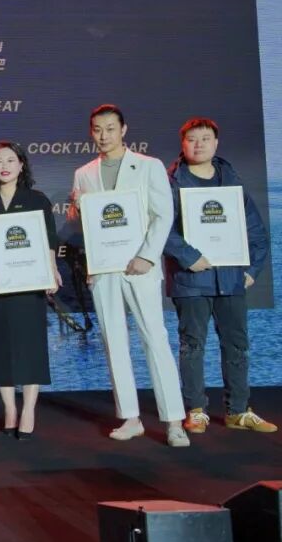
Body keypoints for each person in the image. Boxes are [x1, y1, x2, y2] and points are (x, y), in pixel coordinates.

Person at [69, 104, 189, 447]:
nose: (103, 135)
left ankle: (173, 421)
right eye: (97, 129)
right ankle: (131, 417)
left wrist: (147, 256)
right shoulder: (84, 173)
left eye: (110, 128)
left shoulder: (149, 166)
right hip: (104, 269)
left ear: (123, 130)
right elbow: (88, 225)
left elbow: (162, 215)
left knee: (155, 338)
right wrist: (77, 211)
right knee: (114, 342)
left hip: (140, 267)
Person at [163, 117, 275, 434]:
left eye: (205, 138)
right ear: (182, 144)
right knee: (192, 346)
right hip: (190, 281)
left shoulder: (231, 182)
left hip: (230, 280)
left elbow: (256, 233)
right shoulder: (170, 184)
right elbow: (161, 229)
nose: (198, 144)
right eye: (192, 139)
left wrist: (251, 271)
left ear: (216, 143)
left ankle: (238, 411)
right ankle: (196, 410)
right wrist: (190, 257)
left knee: (237, 345)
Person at [0, 141, 61, 441]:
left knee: (31, 346)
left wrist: (52, 271)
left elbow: (49, 241)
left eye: (10, 160)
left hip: (29, 283)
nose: (4, 166)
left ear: (21, 165)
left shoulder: (37, 200)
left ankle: (29, 409)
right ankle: (9, 409)